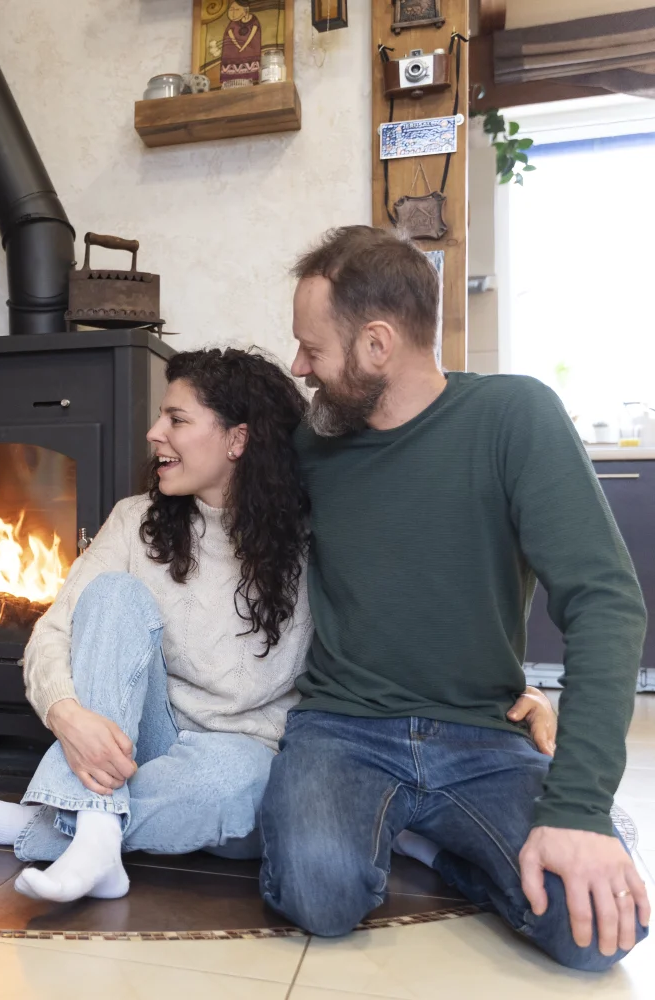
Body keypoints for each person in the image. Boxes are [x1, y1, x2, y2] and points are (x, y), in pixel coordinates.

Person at [0, 348, 562, 907]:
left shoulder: (317, 536)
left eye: (177, 419)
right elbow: (53, 633)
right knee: (111, 595)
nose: (155, 433)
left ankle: (44, 826)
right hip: (144, 740)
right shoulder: (134, 521)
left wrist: (517, 693)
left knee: (243, 783)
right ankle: (97, 830)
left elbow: (400, 630)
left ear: (238, 439)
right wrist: (65, 715)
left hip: (246, 765)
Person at [262, 225, 648, 971]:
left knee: (597, 934)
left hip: (483, 736)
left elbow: (605, 602)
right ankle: (420, 835)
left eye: (312, 349)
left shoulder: (515, 417)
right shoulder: (313, 446)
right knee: (319, 895)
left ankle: (433, 843)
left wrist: (580, 810)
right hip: (345, 729)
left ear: (377, 345)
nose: (299, 367)